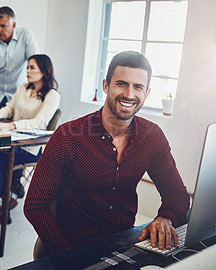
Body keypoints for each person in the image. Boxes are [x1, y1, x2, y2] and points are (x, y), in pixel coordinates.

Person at [24, 51, 190, 257]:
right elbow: (35, 205)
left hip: (123, 246)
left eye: (138, 87)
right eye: (121, 83)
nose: (129, 94)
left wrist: (165, 218)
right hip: (71, 247)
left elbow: (177, 194)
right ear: (106, 86)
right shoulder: (68, 135)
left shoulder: (152, 136)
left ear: (146, 93)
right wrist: (68, 255)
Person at [0, 54, 60, 224]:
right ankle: (4, 198)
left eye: (32, 67)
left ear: (44, 71)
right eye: (27, 67)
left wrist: (11, 126)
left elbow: (40, 122)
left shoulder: (52, 95)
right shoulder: (23, 88)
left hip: (32, 149)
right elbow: (9, 108)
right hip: (13, 141)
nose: (27, 71)